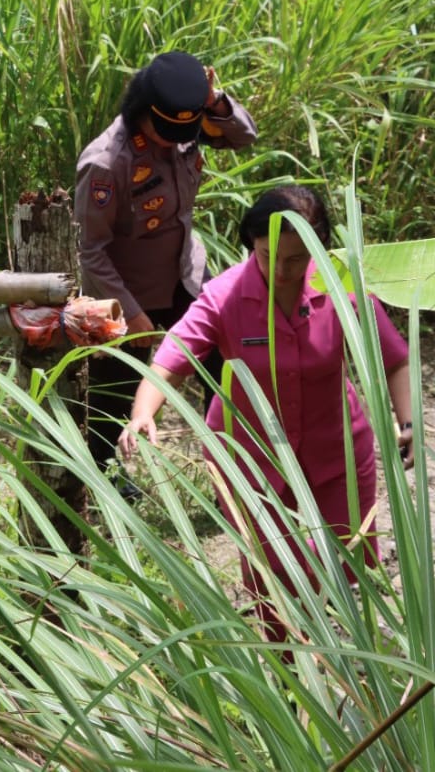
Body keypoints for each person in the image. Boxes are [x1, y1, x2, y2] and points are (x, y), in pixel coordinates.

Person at [118, 187, 413, 641]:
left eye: (294, 259)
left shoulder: (342, 288)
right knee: (271, 571)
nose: (280, 269)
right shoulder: (225, 296)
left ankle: (332, 657)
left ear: (317, 246)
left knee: (345, 557)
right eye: (266, 254)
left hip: (337, 454)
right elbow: (170, 359)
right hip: (249, 459)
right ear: (251, 244)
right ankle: (287, 670)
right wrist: (143, 413)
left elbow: (394, 357)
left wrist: (407, 420)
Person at [76, 51, 258, 480]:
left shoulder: (185, 131)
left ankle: (244, 470)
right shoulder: (106, 163)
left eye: (186, 129)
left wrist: (215, 101)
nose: (175, 140)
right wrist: (130, 313)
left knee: (229, 373)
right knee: (112, 396)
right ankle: (105, 481)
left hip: (187, 279)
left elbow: (243, 135)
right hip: (128, 295)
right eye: (166, 130)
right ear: (143, 112)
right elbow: (91, 251)